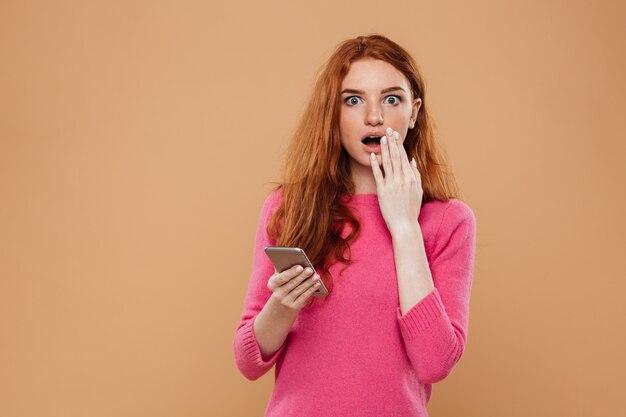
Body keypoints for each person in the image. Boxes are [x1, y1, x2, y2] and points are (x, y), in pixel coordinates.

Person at [232, 33, 477, 417]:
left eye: (391, 99)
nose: (374, 116)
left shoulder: (448, 221)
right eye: (353, 100)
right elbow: (248, 361)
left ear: (413, 112)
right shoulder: (287, 208)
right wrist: (283, 304)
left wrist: (405, 227)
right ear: (334, 112)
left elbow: (434, 362)